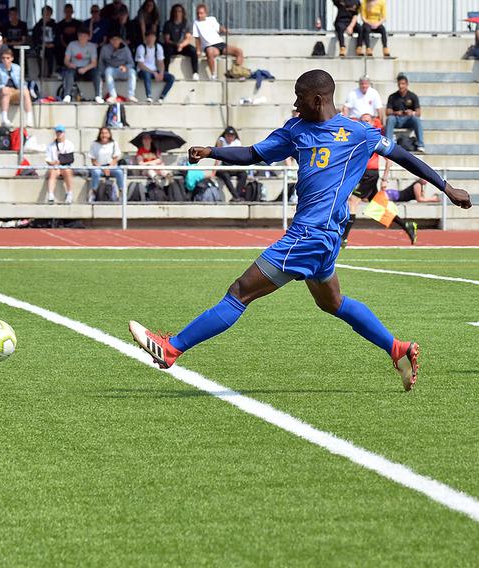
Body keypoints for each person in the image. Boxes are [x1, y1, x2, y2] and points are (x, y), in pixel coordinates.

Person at [128, 69, 473, 393]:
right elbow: (253, 153)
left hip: (311, 234)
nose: (295, 104)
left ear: (318, 100)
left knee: (240, 291)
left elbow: (403, 156)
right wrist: (211, 151)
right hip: (323, 237)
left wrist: (445, 187)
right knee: (332, 302)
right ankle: (397, 348)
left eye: (299, 97)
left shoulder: (358, 133)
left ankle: (172, 348)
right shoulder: (296, 130)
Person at [341, 113, 415, 246]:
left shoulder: (374, 138)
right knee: (378, 207)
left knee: (352, 203)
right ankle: (407, 225)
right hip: (364, 174)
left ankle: (344, 238)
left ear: (373, 123)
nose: (364, 123)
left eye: (367, 121)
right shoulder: (359, 138)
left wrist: (385, 179)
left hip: (369, 174)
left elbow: (389, 161)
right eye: (362, 121)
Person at [193, 3, 243, 81]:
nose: (199, 15)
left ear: (206, 13)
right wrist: (198, 50)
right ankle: (213, 75)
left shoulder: (212, 19)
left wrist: (224, 30)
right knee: (210, 52)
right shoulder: (196, 23)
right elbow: (197, 37)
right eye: (198, 13)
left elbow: (219, 28)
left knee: (239, 51)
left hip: (220, 44)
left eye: (201, 13)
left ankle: (236, 72)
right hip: (209, 46)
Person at [0, 50, 34, 127]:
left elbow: (22, 83)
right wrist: (3, 87)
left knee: (25, 91)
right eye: (3, 58)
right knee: (6, 91)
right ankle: (4, 119)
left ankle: (29, 119)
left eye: (7, 58)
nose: (5, 60)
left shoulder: (17, 68)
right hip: (1, 94)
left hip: (14, 91)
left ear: (12, 58)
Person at [385, 74, 425, 153]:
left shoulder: (413, 96)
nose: (401, 86)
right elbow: (387, 112)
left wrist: (412, 112)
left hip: (408, 120)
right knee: (390, 119)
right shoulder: (392, 96)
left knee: (416, 119)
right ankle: (387, 145)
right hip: (396, 119)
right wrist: (396, 112)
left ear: (407, 84)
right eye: (399, 84)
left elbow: (418, 112)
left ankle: (420, 145)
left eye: (403, 84)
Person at [62, 28, 102, 104]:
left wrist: (85, 69)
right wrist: (70, 64)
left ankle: (98, 96)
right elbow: (66, 60)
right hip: (75, 67)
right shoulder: (72, 44)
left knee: (96, 73)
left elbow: (94, 63)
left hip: (87, 68)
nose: (82, 38)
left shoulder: (92, 46)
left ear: (88, 37)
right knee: (69, 73)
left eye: (84, 36)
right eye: (80, 36)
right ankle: (67, 95)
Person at [136, 31, 176, 103]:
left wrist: (161, 73)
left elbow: (161, 62)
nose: (151, 39)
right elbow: (140, 64)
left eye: (153, 37)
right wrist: (153, 73)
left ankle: (161, 97)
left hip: (154, 70)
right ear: (146, 38)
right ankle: (149, 96)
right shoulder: (141, 48)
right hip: (143, 71)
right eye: (149, 37)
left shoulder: (158, 47)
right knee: (146, 74)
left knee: (171, 78)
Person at [162, 4, 200, 80]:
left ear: (183, 13)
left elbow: (188, 38)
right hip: (172, 45)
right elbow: (167, 40)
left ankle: (195, 73)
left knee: (193, 50)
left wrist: (181, 45)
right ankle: (165, 71)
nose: (177, 13)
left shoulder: (187, 23)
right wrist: (176, 44)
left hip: (183, 45)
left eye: (179, 11)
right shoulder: (168, 24)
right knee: (167, 50)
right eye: (175, 11)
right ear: (172, 13)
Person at [88, 127, 125, 202]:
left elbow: (115, 158)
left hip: (111, 166)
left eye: (106, 133)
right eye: (102, 133)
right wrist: (102, 168)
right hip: (99, 166)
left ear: (109, 134)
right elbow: (93, 160)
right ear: (99, 134)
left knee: (119, 172)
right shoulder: (94, 144)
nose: (104, 135)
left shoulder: (114, 143)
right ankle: (93, 193)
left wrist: (109, 167)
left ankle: (121, 193)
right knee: (96, 172)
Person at [101, 33, 138, 103]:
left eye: (117, 40)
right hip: (111, 71)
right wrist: (101, 74)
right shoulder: (105, 49)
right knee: (108, 70)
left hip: (123, 71)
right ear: (110, 40)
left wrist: (125, 67)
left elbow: (131, 63)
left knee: (132, 72)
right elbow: (101, 63)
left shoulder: (125, 48)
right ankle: (113, 95)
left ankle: (131, 95)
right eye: (113, 40)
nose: (115, 41)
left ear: (120, 40)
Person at [45, 125, 76, 204]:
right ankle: (51, 195)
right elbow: (48, 159)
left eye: (61, 132)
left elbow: (70, 159)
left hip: (65, 166)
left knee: (67, 171)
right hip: (55, 167)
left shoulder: (69, 144)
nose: (59, 134)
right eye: (58, 132)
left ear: (64, 133)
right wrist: (52, 163)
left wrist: (60, 161)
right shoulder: (51, 145)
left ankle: (70, 193)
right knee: (52, 173)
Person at [214, 126, 247, 201]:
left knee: (243, 174)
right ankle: (236, 196)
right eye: (228, 135)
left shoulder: (237, 142)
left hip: (233, 166)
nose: (230, 138)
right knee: (225, 175)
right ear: (225, 135)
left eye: (232, 136)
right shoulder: (221, 141)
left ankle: (236, 196)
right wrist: (214, 171)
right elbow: (217, 158)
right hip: (223, 167)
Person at [31, 6, 57, 78]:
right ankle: (41, 72)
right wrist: (42, 44)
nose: (46, 15)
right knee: (40, 54)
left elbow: (58, 36)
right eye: (45, 13)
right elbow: (35, 37)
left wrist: (53, 44)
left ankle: (50, 73)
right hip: (41, 46)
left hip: (52, 46)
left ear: (51, 14)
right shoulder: (38, 25)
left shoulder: (55, 25)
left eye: (48, 13)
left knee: (50, 54)